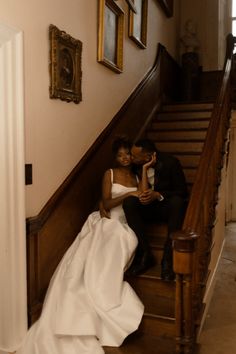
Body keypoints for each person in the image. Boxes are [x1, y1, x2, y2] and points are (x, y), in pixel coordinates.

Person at [16, 137, 146, 354]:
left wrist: (144, 170)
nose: (125, 158)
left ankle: (104, 285)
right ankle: (97, 291)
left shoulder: (135, 174)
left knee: (125, 238)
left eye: (128, 154)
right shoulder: (110, 174)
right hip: (110, 220)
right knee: (110, 237)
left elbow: (144, 194)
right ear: (115, 157)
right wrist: (128, 194)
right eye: (120, 154)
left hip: (126, 224)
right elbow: (106, 203)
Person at [123, 138, 188, 280]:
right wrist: (145, 169)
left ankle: (167, 260)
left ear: (148, 156)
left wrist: (158, 195)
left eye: (134, 156)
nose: (131, 158)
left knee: (177, 203)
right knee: (129, 202)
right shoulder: (136, 166)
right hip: (148, 208)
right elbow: (142, 192)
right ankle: (145, 255)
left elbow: (182, 192)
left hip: (166, 208)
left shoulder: (171, 163)